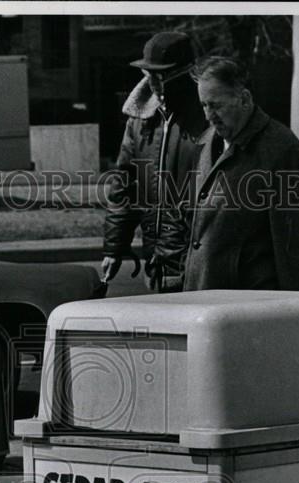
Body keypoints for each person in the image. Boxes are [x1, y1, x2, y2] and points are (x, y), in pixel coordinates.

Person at [183, 56, 299, 292]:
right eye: (204, 105)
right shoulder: (209, 140)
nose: (209, 115)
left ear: (245, 99)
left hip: (250, 306)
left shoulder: (281, 150)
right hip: (207, 300)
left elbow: (298, 246)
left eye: (216, 105)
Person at [102, 31, 207, 292]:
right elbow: (124, 185)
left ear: (188, 73)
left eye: (163, 75)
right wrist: (115, 248)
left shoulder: (207, 118)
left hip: (197, 264)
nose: (156, 83)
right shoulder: (139, 120)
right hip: (156, 262)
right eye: (151, 75)